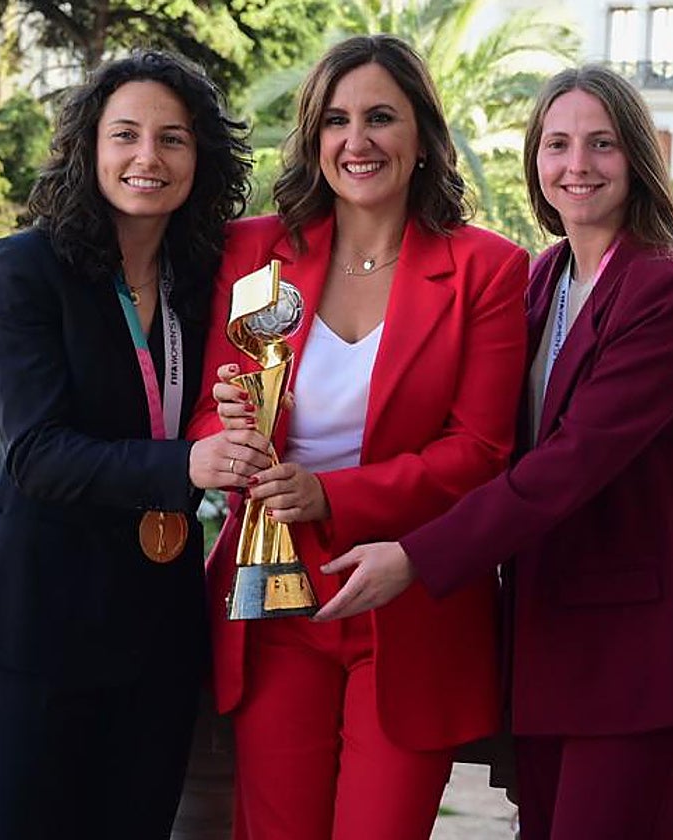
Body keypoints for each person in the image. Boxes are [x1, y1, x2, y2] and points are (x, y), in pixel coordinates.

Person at [314, 64, 673, 839]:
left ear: (638, 157)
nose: (577, 165)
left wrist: (416, 556)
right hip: (547, 643)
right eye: (557, 144)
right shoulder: (545, 277)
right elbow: (484, 437)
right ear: (535, 160)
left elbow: (569, 465)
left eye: (601, 144)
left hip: (637, 657)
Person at [188, 35, 528, 840]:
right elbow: (205, 409)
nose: (356, 140)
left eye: (381, 117)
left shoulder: (488, 269)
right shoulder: (254, 251)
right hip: (271, 593)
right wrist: (227, 438)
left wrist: (329, 495)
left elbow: (480, 452)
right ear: (314, 138)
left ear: (423, 138)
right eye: (336, 121)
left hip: (411, 601)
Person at [0, 51, 265, 840]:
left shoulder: (206, 280)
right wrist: (184, 465)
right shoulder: (25, 267)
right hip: (38, 628)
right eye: (125, 134)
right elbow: (36, 454)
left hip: (158, 630)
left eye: (172, 138)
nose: (147, 156)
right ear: (89, 148)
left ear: (202, 156)